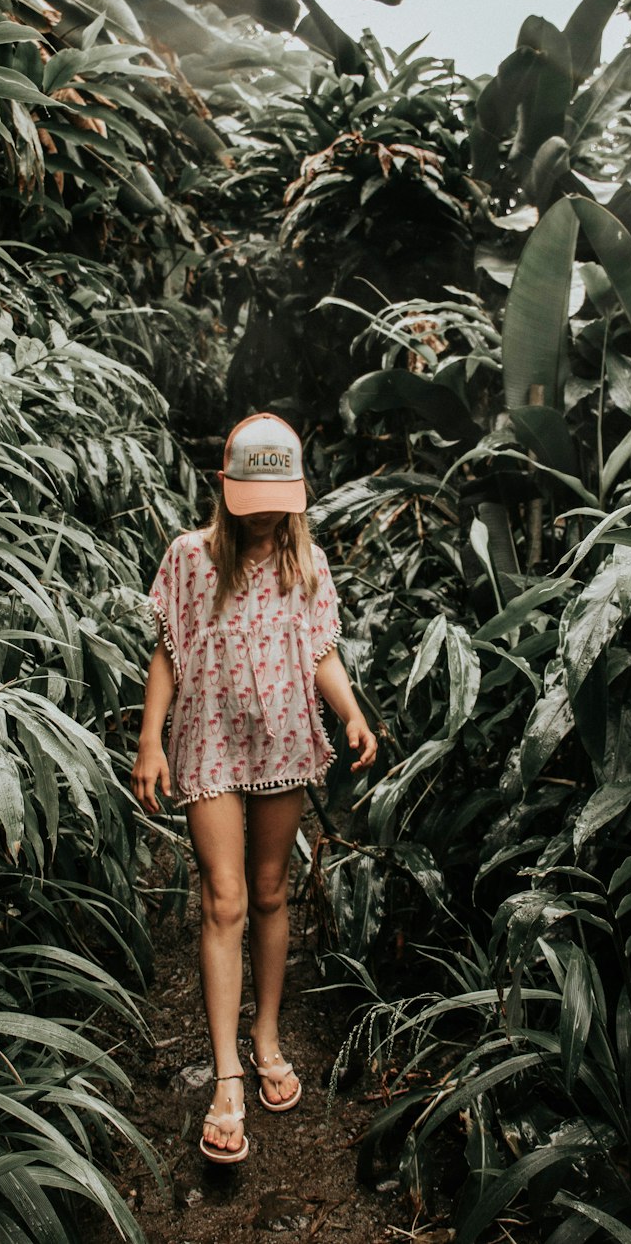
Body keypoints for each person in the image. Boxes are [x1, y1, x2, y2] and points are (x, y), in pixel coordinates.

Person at [130, 413, 378, 1165]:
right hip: (206, 741)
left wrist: (352, 711)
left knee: (271, 892)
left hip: (283, 739)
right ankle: (228, 1074)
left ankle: (266, 1033)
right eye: (254, 497)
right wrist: (149, 739)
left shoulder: (307, 566)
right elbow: (167, 653)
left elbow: (320, 653)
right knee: (224, 898)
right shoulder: (190, 558)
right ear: (226, 491)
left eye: (279, 498)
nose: (267, 512)